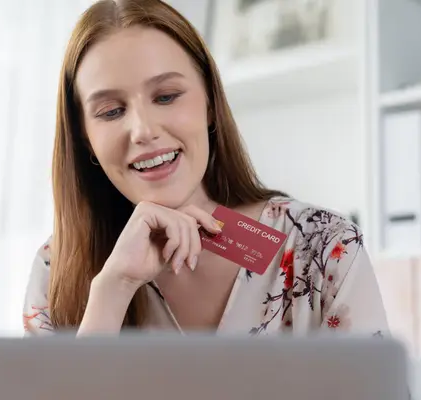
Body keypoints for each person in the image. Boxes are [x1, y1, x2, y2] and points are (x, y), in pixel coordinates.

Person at [22, 0, 388, 337]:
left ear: (210, 103)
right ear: (85, 137)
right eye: (111, 112)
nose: (144, 130)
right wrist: (112, 290)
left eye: (166, 96)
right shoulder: (58, 268)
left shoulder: (321, 247)